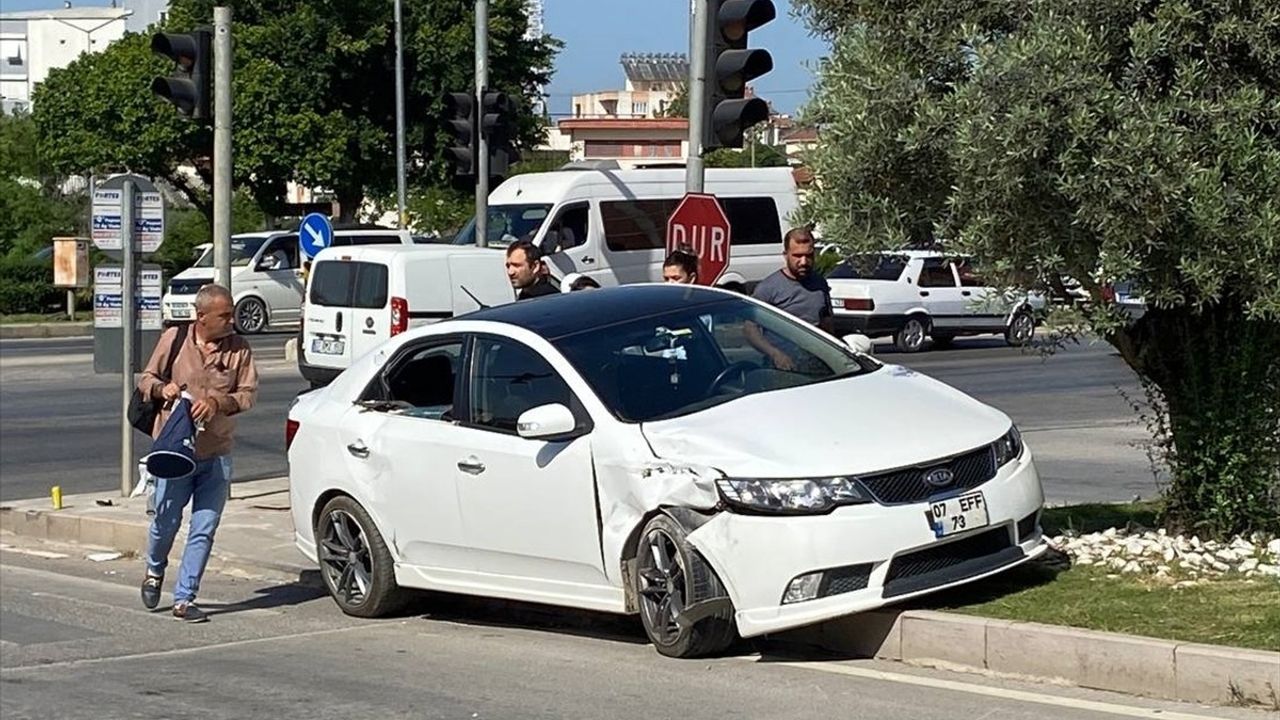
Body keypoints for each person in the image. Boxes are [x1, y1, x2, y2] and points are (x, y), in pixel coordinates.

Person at [136, 284, 259, 622]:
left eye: (231, 313)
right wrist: (164, 388)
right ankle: (154, 570)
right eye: (224, 315)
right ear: (201, 316)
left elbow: (248, 394)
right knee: (166, 521)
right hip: (176, 454)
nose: (231, 320)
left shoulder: (239, 349)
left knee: (204, 527)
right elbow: (145, 378)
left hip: (216, 452)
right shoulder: (174, 339)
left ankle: (185, 598)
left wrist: (219, 402)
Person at [745, 227, 835, 371]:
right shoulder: (768, 287)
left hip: (815, 364)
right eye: (797, 256)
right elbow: (750, 329)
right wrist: (775, 354)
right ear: (785, 255)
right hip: (781, 367)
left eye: (809, 255)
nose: (804, 262)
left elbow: (826, 322)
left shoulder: (820, 284)